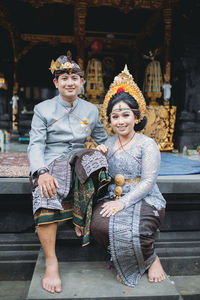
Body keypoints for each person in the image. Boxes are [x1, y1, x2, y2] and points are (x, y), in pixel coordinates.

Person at [27, 50, 108, 294]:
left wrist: (107, 147)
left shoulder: (91, 110)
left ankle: (81, 215)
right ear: (56, 82)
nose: (70, 83)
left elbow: (104, 139)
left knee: (97, 160)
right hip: (52, 161)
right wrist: (41, 171)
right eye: (64, 78)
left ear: (82, 82)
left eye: (74, 78)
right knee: (45, 192)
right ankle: (52, 261)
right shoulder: (42, 109)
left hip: (80, 159)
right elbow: (36, 145)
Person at [91, 65, 166, 287]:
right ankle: (135, 259)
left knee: (138, 228)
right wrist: (97, 156)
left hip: (145, 196)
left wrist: (123, 203)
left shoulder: (147, 144)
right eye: (115, 116)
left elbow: (148, 181)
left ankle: (151, 259)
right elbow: (99, 176)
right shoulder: (107, 144)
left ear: (136, 116)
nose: (120, 121)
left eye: (126, 115)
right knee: (98, 226)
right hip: (112, 196)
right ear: (110, 120)